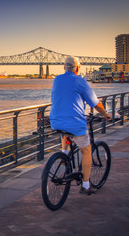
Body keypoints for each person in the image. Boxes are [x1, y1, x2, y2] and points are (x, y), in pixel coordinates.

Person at [49, 56, 112, 195]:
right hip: (74, 123)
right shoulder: (80, 80)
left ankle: (64, 154)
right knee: (86, 150)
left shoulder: (57, 79)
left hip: (55, 120)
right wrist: (105, 114)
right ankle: (85, 185)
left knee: (65, 130)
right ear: (77, 68)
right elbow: (95, 103)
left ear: (64, 67)